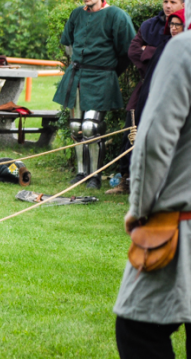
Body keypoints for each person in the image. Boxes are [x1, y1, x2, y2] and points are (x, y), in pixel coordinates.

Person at [112, 24, 191, 359]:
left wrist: (139, 209)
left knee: (137, 329)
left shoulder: (184, 50)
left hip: (180, 221)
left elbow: (154, 140)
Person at [52, 0, 135, 189]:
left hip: (102, 78)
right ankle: (81, 173)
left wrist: (110, 72)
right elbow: (67, 43)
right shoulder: (77, 14)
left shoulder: (117, 16)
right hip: (77, 76)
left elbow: (128, 51)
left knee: (91, 127)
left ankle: (95, 176)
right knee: (75, 127)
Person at [107, 0, 184, 195]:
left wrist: (149, 51)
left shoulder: (183, 27)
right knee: (131, 130)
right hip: (145, 85)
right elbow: (133, 50)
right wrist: (151, 66)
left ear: (183, 5)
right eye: (165, 1)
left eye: (173, 2)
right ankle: (126, 179)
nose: (168, 6)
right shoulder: (150, 25)